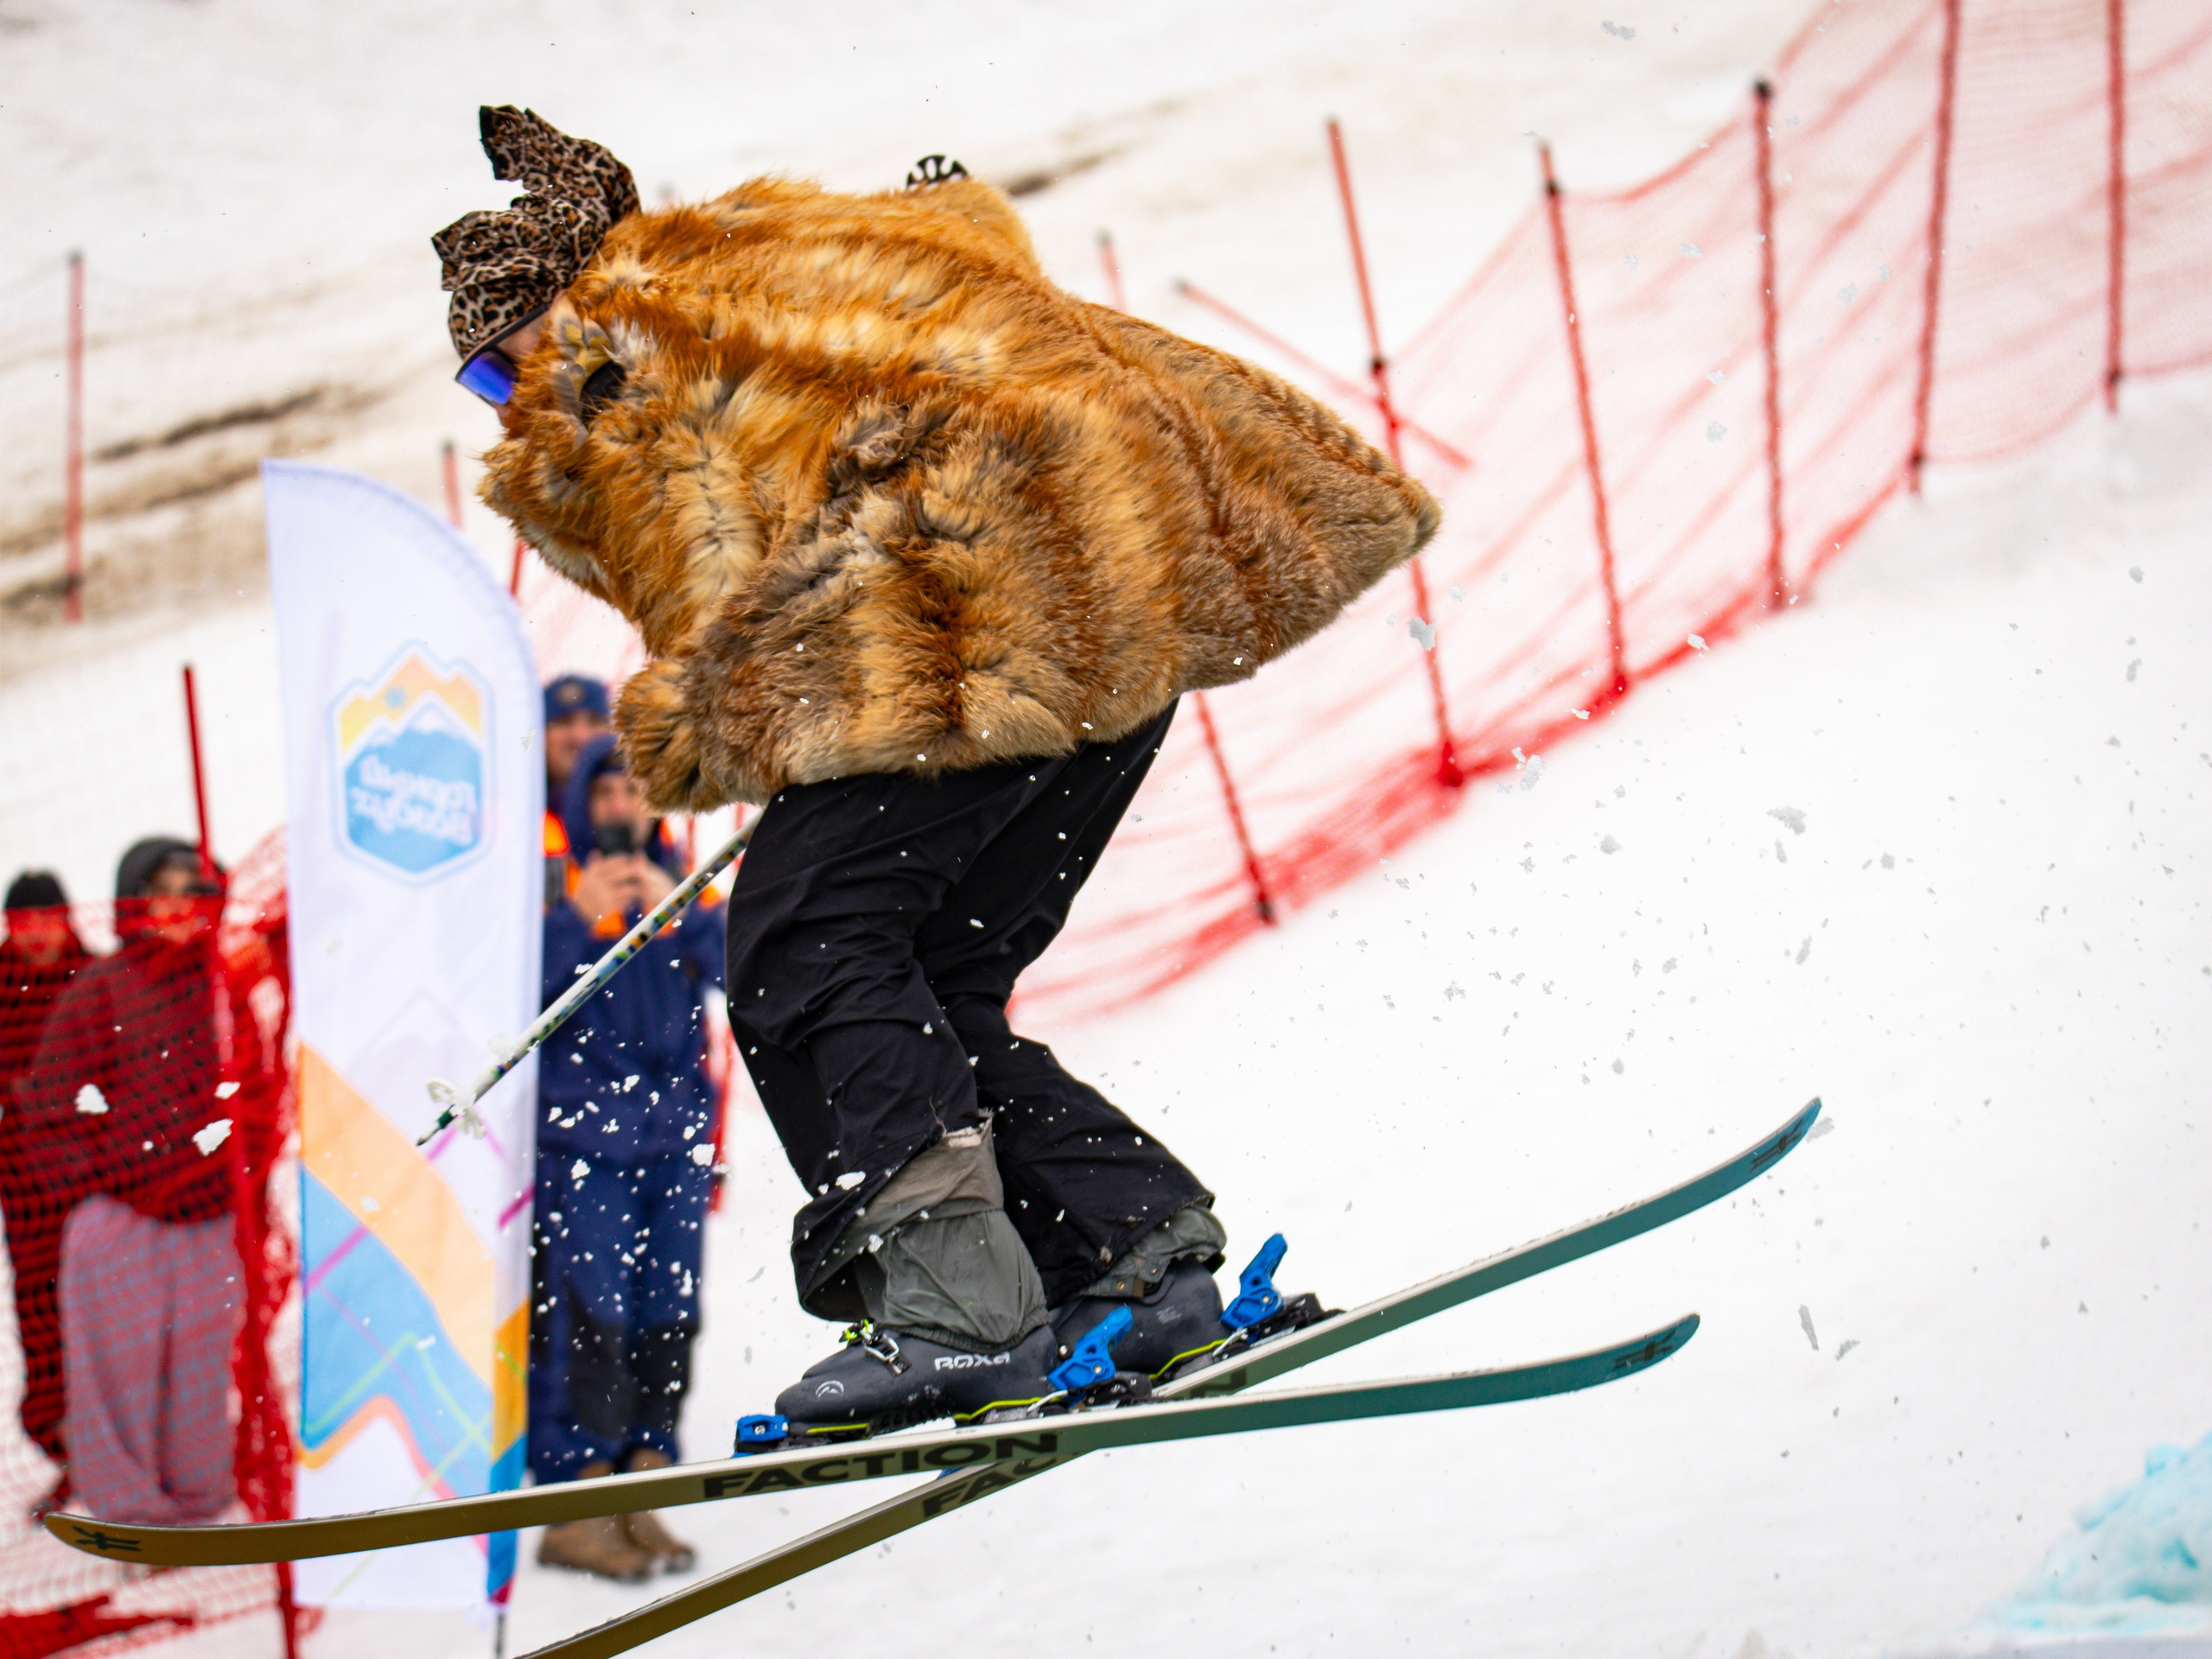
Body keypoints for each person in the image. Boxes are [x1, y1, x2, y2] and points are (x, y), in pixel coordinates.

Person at [435, 110, 1436, 1440]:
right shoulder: (776, 254)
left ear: (548, 308)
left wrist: (727, 701)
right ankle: (1136, 1268)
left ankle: (957, 1311)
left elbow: (711, 562)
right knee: (930, 974)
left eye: (494, 371)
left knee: (807, 944)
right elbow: (970, 248)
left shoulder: (628, 348)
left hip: (959, 627)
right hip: (1116, 612)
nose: (510, 405)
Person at [531, 734, 723, 1580]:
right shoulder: (550, 884)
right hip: (584, 1141)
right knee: (590, 1319)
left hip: (673, 1137)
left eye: (636, 791)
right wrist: (576, 918)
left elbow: (744, 970)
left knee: (668, 1314)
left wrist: (689, 914)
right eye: (606, 792)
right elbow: (512, 993)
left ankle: (646, 1476)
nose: (621, 809)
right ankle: (578, 1496)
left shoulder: (683, 873)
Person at [27, 840, 251, 1525]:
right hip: (124, 1226)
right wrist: (111, 1174)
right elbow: (47, 1101)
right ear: (137, 898)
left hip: (211, 1221)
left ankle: (202, 1500)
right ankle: (128, 1513)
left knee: (198, 1373)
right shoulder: (103, 987)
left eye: (196, 888)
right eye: (165, 888)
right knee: (119, 1378)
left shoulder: (227, 981)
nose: (182, 903)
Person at [0, 871, 92, 1488]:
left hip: (99, 1186)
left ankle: (126, 1448)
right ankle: (66, 1450)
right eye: (23, 922)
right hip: (28, 1193)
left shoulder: (99, 979)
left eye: (47, 919)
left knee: (105, 1317)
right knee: (43, 1320)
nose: (36, 935)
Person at [541, 673, 612, 909]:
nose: (580, 736)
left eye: (594, 721)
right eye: (564, 722)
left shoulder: (648, 830)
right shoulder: (512, 826)